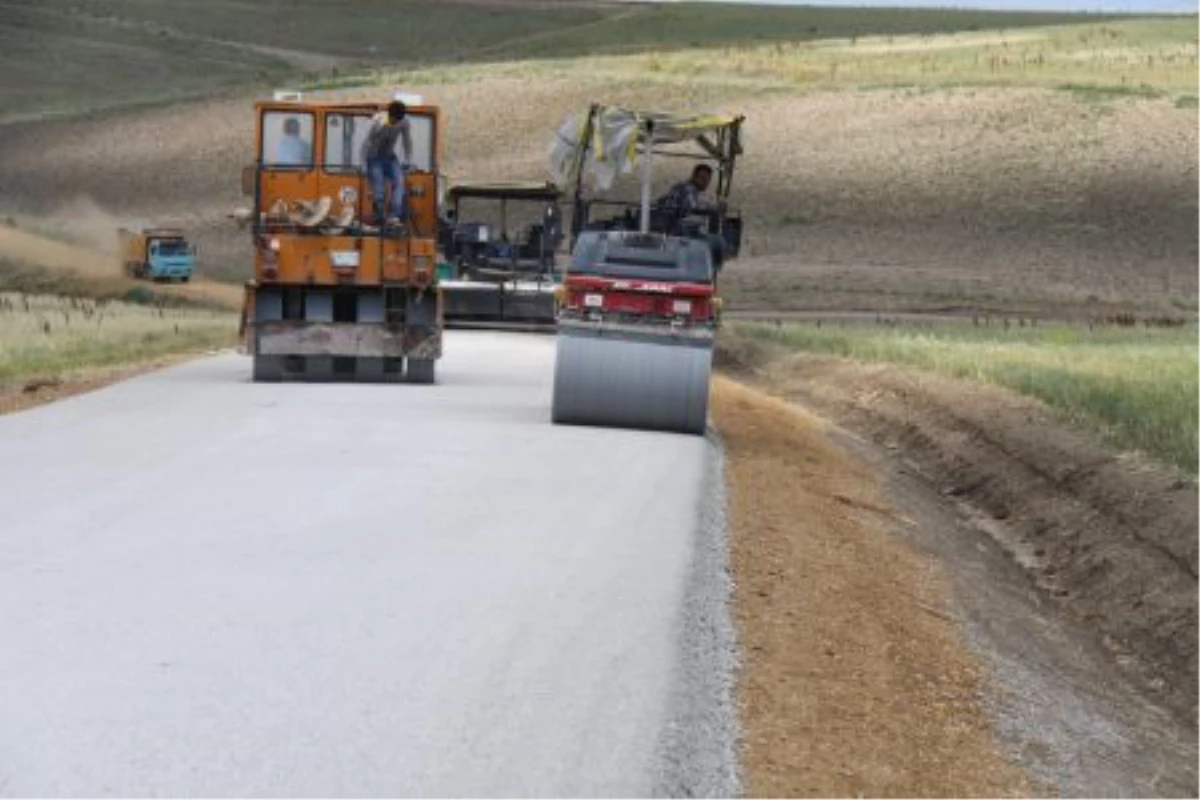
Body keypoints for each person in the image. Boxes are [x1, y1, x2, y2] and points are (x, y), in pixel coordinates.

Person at [359, 100, 413, 226]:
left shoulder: (404, 122)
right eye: (394, 120)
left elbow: (407, 141)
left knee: (399, 180)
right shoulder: (378, 121)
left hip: (389, 156)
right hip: (373, 156)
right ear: (389, 114)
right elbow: (366, 143)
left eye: (398, 120)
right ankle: (378, 213)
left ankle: (395, 213)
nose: (396, 123)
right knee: (378, 184)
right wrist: (362, 163)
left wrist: (408, 159)